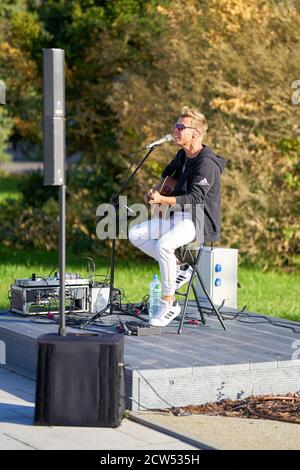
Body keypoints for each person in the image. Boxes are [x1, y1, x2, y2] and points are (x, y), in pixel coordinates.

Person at [129, 106, 226, 327]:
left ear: (196, 133)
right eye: (176, 126)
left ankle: (169, 303)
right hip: (178, 216)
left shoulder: (207, 164)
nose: (176, 130)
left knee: (164, 244)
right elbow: (167, 175)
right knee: (136, 233)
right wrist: (157, 189)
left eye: (181, 127)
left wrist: (163, 201)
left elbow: (194, 199)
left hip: (198, 221)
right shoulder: (182, 155)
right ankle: (178, 267)